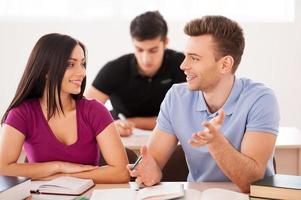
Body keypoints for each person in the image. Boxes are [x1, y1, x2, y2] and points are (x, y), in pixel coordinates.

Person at [127, 15, 280, 193]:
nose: (183, 65)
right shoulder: (176, 97)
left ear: (225, 65)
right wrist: (150, 171)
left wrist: (216, 143)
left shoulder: (261, 100)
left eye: (195, 58)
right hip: (198, 196)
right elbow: (152, 161)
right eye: (186, 56)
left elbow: (251, 183)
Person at [0, 33, 130, 183]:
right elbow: (3, 167)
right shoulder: (22, 113)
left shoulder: (95, 111)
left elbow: (121, 173)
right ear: (46, 70)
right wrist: (58, 166)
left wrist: (63, 177)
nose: (82, 72)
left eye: (82, 63)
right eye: (70, 64)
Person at [85, 11, 186, 136]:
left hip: (169, 137)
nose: (146, 59)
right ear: (133, 43)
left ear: (165, 42)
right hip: (121, 138)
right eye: (139, 49)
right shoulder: (114, 69)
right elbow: (83, 114)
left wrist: (133, 122)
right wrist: (110, 126)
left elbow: (187, 117)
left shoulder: (182, 64)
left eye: (153, 50)